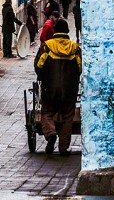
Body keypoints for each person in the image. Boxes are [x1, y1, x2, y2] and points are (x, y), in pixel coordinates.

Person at [34, 17, 81, 156]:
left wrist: (43, 78)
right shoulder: (74, 48)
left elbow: (38, 67)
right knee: (68, 118)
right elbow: (80, 68)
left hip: (50, 89)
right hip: (69, 90)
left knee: (47, 113)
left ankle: (51, 133)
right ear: (67, 31)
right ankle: (63, 148)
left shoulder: (47, 46)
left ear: (55, 31)